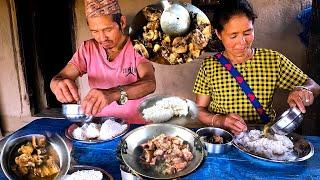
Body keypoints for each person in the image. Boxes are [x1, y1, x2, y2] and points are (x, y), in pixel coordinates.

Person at [193, 0, 320, 134]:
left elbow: (314, 86)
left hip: (263, 139)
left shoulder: (272, 60)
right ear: (219, 34)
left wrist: (304, 90)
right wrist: (221, 120)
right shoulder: (209, 66)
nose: (242, 42)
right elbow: (199, 110)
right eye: (233, 35)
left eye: (247, 33)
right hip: (226, 139)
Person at [50, 0, 156, 124]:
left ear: (122, 22)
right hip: (100, 127)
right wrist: (57, 84)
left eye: (107, 29)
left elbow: (149, 83)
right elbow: (61, 77)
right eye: (94, 31)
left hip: (135, 126)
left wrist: (113, 94)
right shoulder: (87, 49)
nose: (102, 38)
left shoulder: (138, 47)